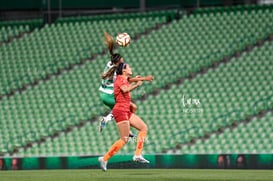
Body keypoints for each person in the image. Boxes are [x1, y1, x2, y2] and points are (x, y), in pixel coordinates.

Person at [98, 62, 153, 171]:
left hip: (126, 110)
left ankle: (137, 154)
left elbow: (130, 80)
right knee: (124, 139)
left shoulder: (122, 78)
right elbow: (125, 89)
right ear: (124, 70)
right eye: (129, 67)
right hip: (120, 111)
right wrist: (137, 85)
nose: (131, 68)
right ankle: (104, 158)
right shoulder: (120, 79)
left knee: (144, 128)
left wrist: (145, 78)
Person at [98, 31, 153, 133]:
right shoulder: (117, 72)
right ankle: (109, 121)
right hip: (110, 95)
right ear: (118, 63)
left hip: (103, 94)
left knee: (128, 108)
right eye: (122, 62)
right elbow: (125, 83)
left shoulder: (110, 63)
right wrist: (140, 81)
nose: (124, 63)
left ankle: (120, 126)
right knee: (131, 107)